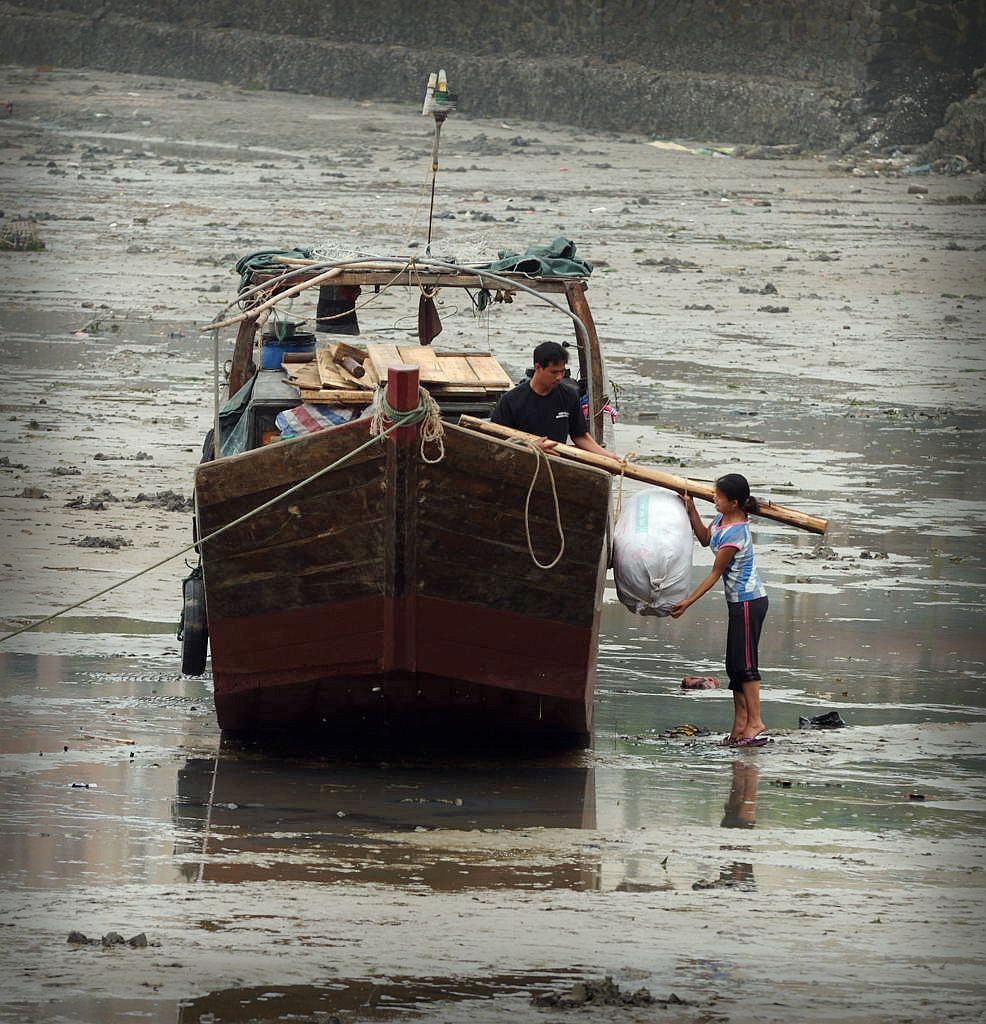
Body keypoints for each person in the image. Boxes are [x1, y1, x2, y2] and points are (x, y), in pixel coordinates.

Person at [670, 473, 769, 747]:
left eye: (719, 496)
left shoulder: (736, 533)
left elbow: (715, 573)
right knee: (734, 666)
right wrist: (691, 510)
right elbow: (704, 538)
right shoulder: (721, 520)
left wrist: (687, 602)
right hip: (738, 603)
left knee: (746, 665)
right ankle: (739, 725)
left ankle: (756, 721)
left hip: (750, 601)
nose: (714, 498)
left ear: (734, 502)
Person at [490, 341, 619, 459]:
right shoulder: (511, 400)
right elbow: (496, 443)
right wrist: (530, 447)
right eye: (554, 372)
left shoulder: (569, 396)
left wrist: (608, 456)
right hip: (520, 461)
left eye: (562, 372)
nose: (559, 377)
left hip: (557, 462)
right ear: (538, 368)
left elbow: (580, 435)